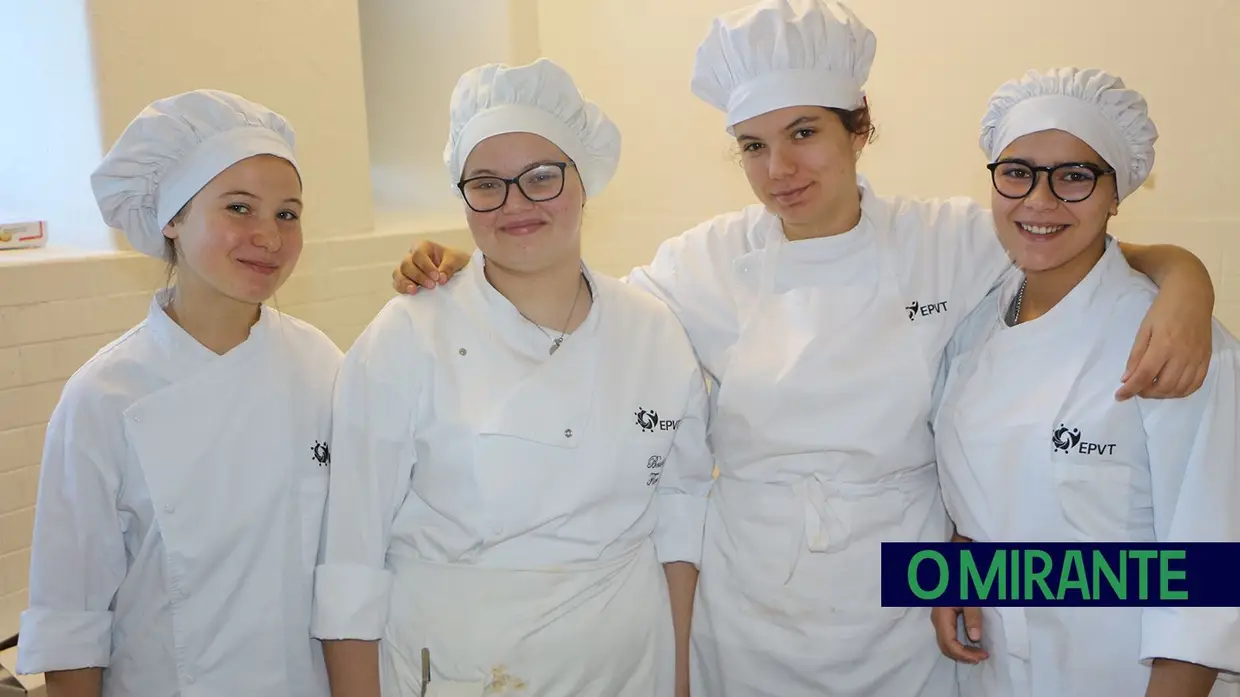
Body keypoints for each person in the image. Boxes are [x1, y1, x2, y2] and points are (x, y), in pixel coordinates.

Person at [388, 2, 1216, 694]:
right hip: (752, 591)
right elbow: (584, 309)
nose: (779, 167)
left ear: (861, 131)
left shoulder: (948, 240)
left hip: (905, 595)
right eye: (752, 144)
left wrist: (1186, 278)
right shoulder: (702, 261)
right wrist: (486, 264)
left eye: (804, 132)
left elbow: (1066, 243)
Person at [310, 58, 715, 697]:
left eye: (542, 177)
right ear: (462, 195)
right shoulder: (407, 336)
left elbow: (680, 516)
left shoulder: (655, 332)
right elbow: (350, 561)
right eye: (487, 184)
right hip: (461, 666)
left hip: (629, 662)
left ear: (585, 182)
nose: (515, 203)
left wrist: (682, 680)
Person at [15, 91, 341, 697]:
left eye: (287, 214)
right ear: (172, 216)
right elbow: (71, 621)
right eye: (239, 207)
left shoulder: (321, 365)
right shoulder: (104, 395)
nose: (268, 236)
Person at [929, 67, 1240, 697]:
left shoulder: (1172, 340)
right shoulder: (971, 329)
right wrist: (951, 573)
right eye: (1017, 172)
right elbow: (980, 498)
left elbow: (1209, 571)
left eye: (1074, 176)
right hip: (991, 670)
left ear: (1115, 193)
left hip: (1127, 675)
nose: (1039, 202)